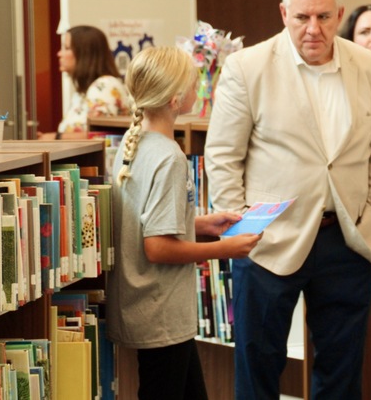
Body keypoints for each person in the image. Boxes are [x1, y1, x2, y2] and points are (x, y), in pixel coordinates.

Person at [204, 0, 371, 400]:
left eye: (324, 17)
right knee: (258, 368)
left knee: (342, 374)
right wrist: (242, 229)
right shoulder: (247, 68)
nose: (313, 29)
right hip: (268, 241)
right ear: (283, 13)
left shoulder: (369, 68)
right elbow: (221, 156)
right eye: (302, 17)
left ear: (340, 14)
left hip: (347, 239)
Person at [106, 46, 261, 400]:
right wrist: (225, 249)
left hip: (146, 308)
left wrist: (203, 224)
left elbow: (146, 220)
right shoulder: (168, 157)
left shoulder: (132, 148)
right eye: (194, 84)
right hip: (161, 313)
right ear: (176, 100)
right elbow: (156, 246)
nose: (199, 90)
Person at [38, 25, 131, 140]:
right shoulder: (81, 93)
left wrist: (55, 137)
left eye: (66, 48)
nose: (59, 54)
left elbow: (101, 135)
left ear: (85, 54)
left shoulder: (105, 85)